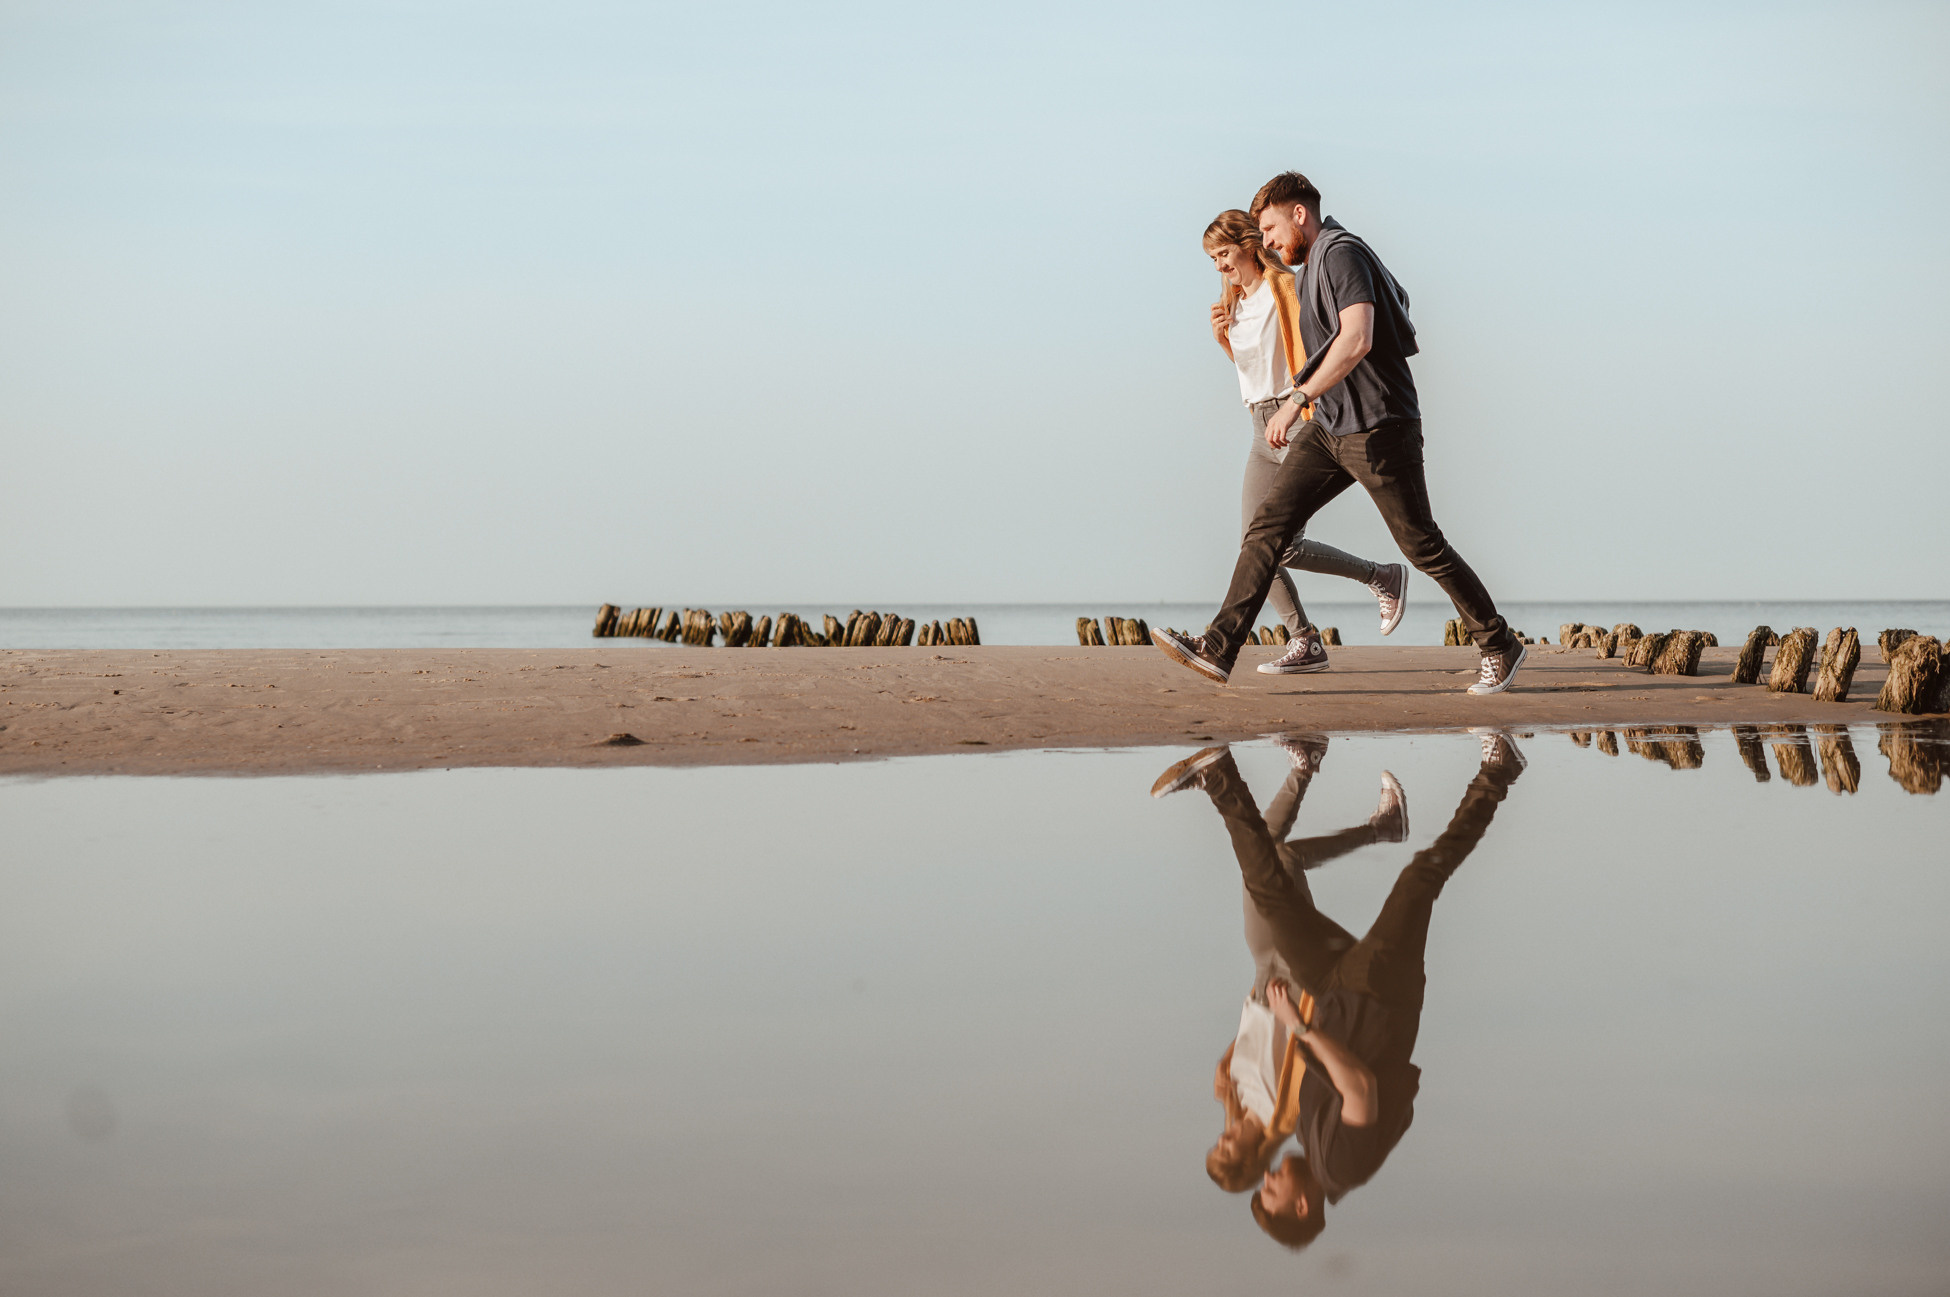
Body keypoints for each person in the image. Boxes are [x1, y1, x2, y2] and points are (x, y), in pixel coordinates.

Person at [1154, 172, 1526, 694]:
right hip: (1329, 427)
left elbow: (1357, 337)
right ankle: (1219, 649)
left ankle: (1499, 644)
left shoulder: (1340, 252)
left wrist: (1298, 398)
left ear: (1299, 213)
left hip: (1379, 426)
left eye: (1269, 228)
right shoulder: (1314, 268)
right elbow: (1399, 298)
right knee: (1268, 528)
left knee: (1422, 545)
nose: (1266, 242)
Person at [1155, 730, 1526, 1249]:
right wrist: (1301, 1026)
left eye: (1261, 1186)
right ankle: (1500, 772)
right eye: (1272, 1194)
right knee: (1420, 880)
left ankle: (1221, 778)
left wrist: (1301, 1022)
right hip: (1379, 996)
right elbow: (1360, 1089)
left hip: (1333, 991)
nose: (1269, 1181)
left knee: (1271, 897)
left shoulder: (1310, 1146)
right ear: (1302, 1205)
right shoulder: (1342, 1168)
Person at [1156, 735, 1408, 1192]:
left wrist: (1227, 1062)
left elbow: (1250, 1038)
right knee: (1280, 861)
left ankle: (1341, 796)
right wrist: (1305, 1006)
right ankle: (1294, 780)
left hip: (1261, 976)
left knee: (1269, 861)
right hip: (1297, 982)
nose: (1225, 1138)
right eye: (1229, 1148)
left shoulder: (1233, 1097)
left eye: (1218, 1144)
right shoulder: (1286, 1117)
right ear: (1251, 1159)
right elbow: (1310, 1050)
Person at [1202, 210, 1406, 673]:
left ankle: (1378, 578)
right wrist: (1223, 342)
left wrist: (1305, 404)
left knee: (1276, 542)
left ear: (1250, 244)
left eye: (1224, 253)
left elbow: (1314, 353)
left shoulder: (1288, 289)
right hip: (1260, 425)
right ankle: (1307, 639)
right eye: (1211, 258)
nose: (1219, 265)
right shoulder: (1234, 303)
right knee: (1256, 542)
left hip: (1295, 418)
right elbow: (1255, 371)